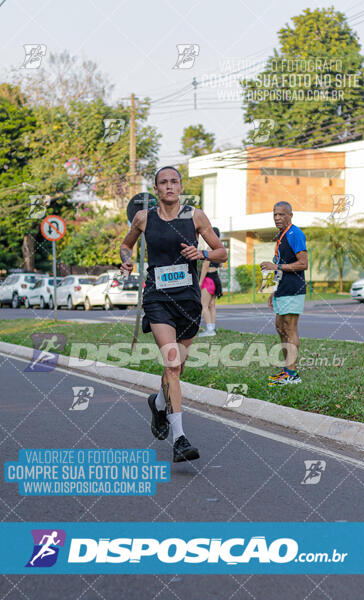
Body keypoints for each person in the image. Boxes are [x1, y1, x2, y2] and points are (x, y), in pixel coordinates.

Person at [120, 166, 227, 462]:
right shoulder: (144, 218)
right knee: (170, 363)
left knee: (177, 369)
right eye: (163, 182)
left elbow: (221, 252)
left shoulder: (195, 216)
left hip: (188, 299)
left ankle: (157, 403)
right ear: (156, 189)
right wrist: (126, 261)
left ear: (181, 187)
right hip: (157, 298)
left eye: (174, 182)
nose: (169, 186)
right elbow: (126, 245)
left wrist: (202, 254)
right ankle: (179, 438)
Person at [260, 201, 308, 386]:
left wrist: (276, 266)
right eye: (275, 215)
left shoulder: (295, 233)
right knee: (280, 328)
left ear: (290, 215)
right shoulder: (282, 235)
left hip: (293, 289)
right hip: (282, 290)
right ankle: (286, 370)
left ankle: (293, 374)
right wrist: (272, 290)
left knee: (289, 329)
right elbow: (278, 264)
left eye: (281, 214)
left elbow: (303, 263)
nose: (277, 218)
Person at [198, 227, 223, 337]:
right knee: (212, 305)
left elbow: (205, 267)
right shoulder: (219, 249)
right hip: (216, 278)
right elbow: (221, 264)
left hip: (208, 279)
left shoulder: (209, 249)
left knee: (204, 305)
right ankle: (212, 328)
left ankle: (209, 330)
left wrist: (200, 282)